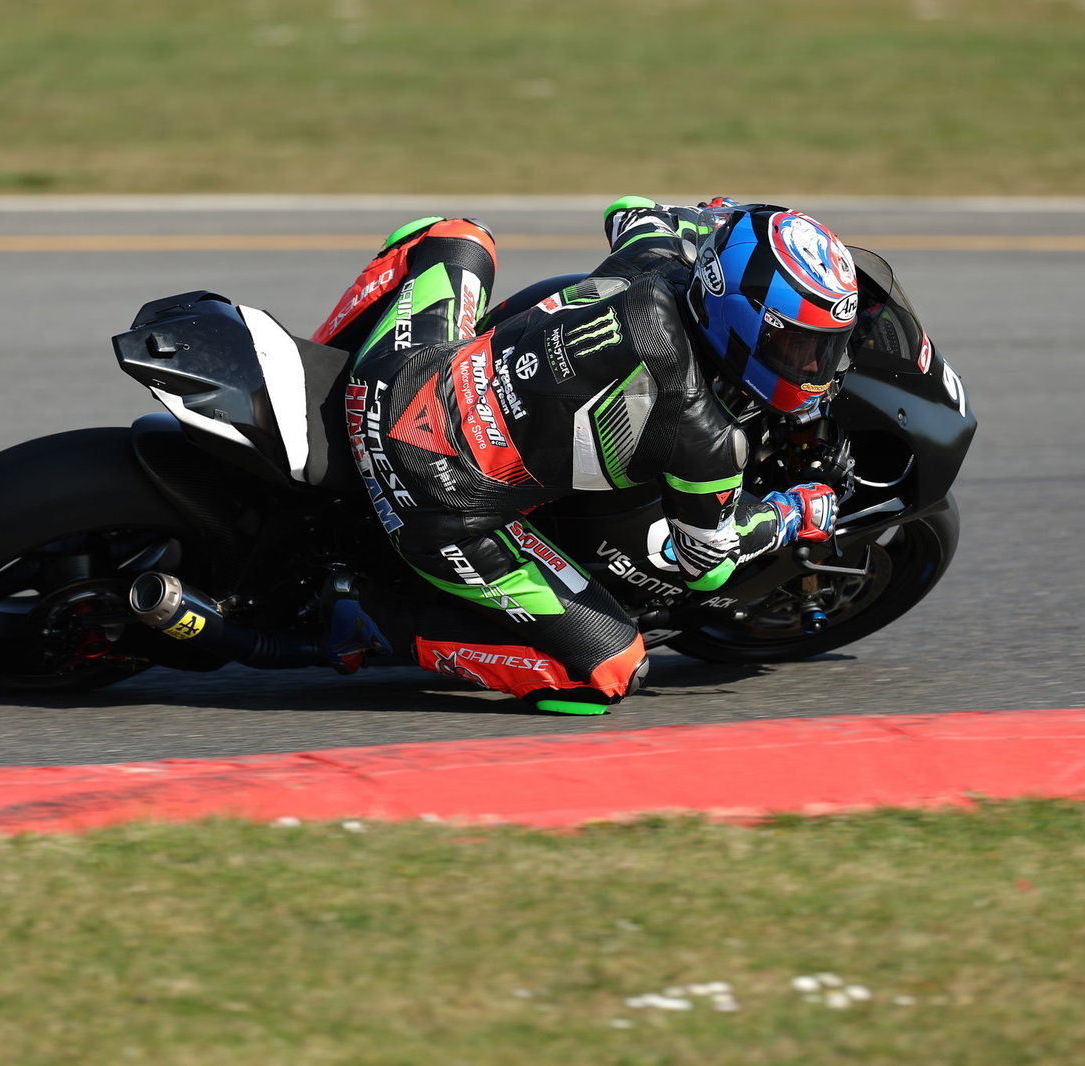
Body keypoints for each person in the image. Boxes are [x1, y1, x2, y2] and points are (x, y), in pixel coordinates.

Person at [310, 197, 856, 715]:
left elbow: (631, 210)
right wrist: (795, 513)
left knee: (453, 236)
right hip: (438, 506)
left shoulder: (653, 258)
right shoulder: (705, 437)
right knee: (610, 671)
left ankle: (323, 377)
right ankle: (377, 623)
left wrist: (709, 220)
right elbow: (707, 568)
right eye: (800, 347)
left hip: (393, 377)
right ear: (740, 321)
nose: (814, 366)